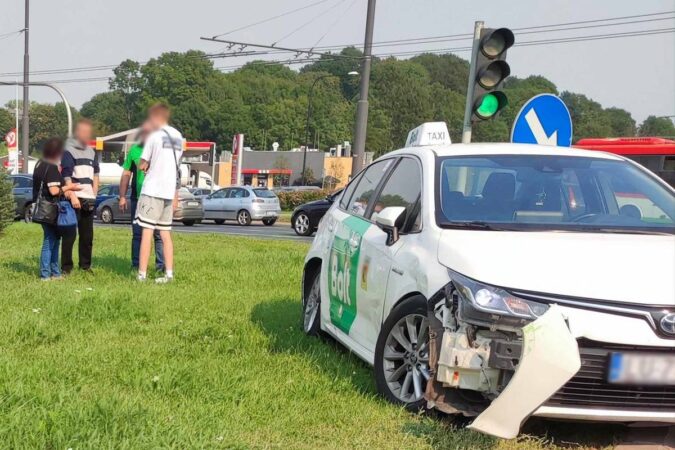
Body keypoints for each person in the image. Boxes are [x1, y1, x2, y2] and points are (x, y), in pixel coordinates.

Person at [135, 103, 183, 283]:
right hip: (168, 191)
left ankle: (142, 274)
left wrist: (144, 165)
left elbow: (143, 163)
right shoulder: (178, 136)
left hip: (153, 189)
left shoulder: (154, 136)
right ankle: (169, 274)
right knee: (165, 234)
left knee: (147, 232)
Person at [119, 121, 164, 273]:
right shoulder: (134, 150)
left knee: (158, 234)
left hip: (157, 196)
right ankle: (136, 264)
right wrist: (122, 196)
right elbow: (126, 174)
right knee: (137, 233)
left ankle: (161, 266)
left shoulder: (160, 150)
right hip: (137, 198)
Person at [32, 138, 81, 280]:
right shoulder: (51, 167)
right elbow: (54, 191)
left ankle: (55, 272)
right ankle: (46, 274)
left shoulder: (39, 164)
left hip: (44, 208)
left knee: (55, 239)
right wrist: (70, 187)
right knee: (49, 241)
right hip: (49, 209)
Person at [61, 119, 99, 274]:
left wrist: (94, 193)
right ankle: (66, 267)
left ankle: (85, 266)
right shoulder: (69, 151)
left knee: (87, 236)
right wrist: (72, 196)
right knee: (70, 235)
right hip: (74, 199)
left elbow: (96, 174)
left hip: (89, 198)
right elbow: (66, 176)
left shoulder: (91, 151)